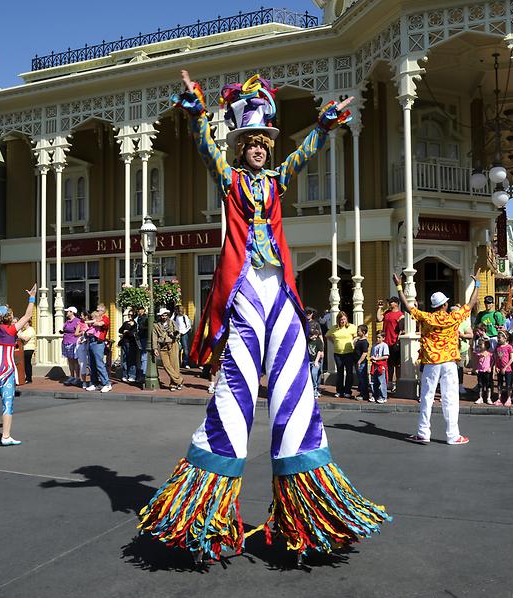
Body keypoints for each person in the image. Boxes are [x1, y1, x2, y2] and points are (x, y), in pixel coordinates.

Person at [138, 71, 387, 562]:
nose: (258, 149)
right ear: (240, 147)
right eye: (250, 142)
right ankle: (203, 515)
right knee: (235, 396)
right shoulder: (228, 178)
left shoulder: (278, 179)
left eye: (263, 143)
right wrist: (193, 110)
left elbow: (304, 154)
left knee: (297, 396)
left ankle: (308, 516)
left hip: (283, 293)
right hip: (245, 288)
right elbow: (205, 148)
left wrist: (324, 125)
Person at [401, 271, 480, 445]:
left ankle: (423, 433)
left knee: (427, 397)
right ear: (444, 305)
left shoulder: (427, 317)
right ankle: (453, 436)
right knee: (450, 397)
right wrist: (477, 284)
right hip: (449, 362)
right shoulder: (454, 317)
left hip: (431, 363)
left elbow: (408, 307)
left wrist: (400, 287)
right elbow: (471, 303)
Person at [0, 284, 37, 446]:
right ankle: (5, 437)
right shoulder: (12, 330)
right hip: (6, 370)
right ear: (9, 317)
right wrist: (31, 297)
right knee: (7, 403)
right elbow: (27, 316)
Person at [327, 311, 357, 399]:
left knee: (349, 372)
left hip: (349, 353)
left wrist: (353, 343)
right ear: (338, 320)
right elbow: (328, 336)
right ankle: (339, 391)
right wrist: (334, 342)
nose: (343, 321)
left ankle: (348, 391)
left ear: (346, 319)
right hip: (338, 354)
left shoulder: (351, 327)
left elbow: (357, 336)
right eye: (341, 319)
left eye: (344, 319)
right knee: (339, 372)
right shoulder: (334, 328)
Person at [376, 296, 404, 392]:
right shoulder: (387, 312)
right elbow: (379, 319)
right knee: (389, 365)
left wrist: (398, 340)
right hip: (386, 343)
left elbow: (401, 329)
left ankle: (398, 383)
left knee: (397, 365)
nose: (389, 304)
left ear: (396, 303)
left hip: (395, 343)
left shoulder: (400, 315)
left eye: (391, 302)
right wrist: (379, 308)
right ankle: (390, 383)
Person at [153, 307, 183, 391]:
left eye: (165, 315)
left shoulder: (172, 322)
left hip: (173, 344)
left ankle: (173, 384)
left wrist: (173, 334)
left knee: (175, 365)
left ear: (167, 315)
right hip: (163, 346)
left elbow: (178, 333)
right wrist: (155, 348)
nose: (164, 316)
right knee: (166, 365)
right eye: (162, 315)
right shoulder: (156, 325)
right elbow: (154, 337)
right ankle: (179, 380)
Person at [84, 304, 112, 393]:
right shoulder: (95, 317)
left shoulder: (105, 318)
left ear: (103, 311)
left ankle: (107, 384)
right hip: (91, 341)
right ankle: (94, 383)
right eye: (96, 310)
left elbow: (99, 323)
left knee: (99, 364)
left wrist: (90, 322)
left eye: (98, 310)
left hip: (98, 342)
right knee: (92, 364)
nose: (97, 311)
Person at [61, 307, 83, 386]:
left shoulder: (77, 321)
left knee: (75, 360)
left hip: (73, 342)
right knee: (69, 360)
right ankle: (72, 376)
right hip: (66, 342)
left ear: (72, 312)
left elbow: (81, 331)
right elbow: (65, 329)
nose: (67, 313)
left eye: (68, 311)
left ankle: (77, 377)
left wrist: (80, 335)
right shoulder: (67, 321)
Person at [494, 330, 513, 406]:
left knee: (508, 384)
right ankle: (499, 398)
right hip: (499, 368)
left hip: (507, 369)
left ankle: (509, 398)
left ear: (505, 338)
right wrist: (496, 366)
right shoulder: (497, 347)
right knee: (499, 384)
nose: (498, 339)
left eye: (500, 338)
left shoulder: (509, 347)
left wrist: (506, 367)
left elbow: (511, 358)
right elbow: (496, 358)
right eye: (497, 338)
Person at [456, 306, 474, 395]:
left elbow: (470, 335)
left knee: (459, 368)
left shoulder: (463, 323)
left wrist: (462, 335)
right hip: (448, 350)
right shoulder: (447, 322)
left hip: (461, 349)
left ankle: (460, 385)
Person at [118, 309, 139, 382]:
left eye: (131, 315)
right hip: (125, 342)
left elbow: (133, 333)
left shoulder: (136, 324)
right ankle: (124, 375)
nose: (130, 316)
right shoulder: (126, 323)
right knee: (124, 359)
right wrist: (124, 331)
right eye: (129, 315)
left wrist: (128, 331)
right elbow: (120, 330)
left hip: (132, 343)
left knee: (132, 359)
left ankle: (132, 375)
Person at [370, 331, 389, 404]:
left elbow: (386, 356)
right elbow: (372, 355)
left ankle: (383, 396)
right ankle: (375, 395)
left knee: (381, 381)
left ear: (383, 338)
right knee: (374, 382)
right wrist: (372, 358)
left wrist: (377, 359)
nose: (377, 339)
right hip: (374, 365)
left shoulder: (384, 345)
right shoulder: (374, 346)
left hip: (381, 365)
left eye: (379, 337)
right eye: (376, 337)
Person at [473, 336, 493, 405]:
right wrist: (476, 369)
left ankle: (488, 398)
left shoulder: (489, 354)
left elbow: (492, 361)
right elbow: (476, 362)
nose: (479, 346)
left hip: (487, 371)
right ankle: (480, 397)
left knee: (488, 385)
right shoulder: (478, 354)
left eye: (481, 344)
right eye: (479, 344)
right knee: (480, 385)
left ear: (486, 345)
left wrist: (490, 367)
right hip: (480, 371)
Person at [307, 322, 324, 399]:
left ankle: (315, 389)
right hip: (308, 361)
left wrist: (316, 361)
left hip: (315, 361)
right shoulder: (307, 341)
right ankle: (311, 389)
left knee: (314, 373)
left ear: (316, 335)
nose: (311, 336)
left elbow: (319, 352)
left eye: (313, 335)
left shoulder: (318, 341)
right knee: (309, 376)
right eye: (310, 335)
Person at [354, 324, 371, 402]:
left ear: (363, 332)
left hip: (361, 363)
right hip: (357, 361)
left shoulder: (364, 342)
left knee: (363, 379)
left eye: (359, 331)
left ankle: (365, 395)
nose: (357, 332)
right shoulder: (359, 340)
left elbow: (365, 353)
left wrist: (359, 361)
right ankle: (361, 393)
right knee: (360, 379)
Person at [17, 320, 36, 385]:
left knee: (27, 363)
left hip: (29, 348)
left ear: (27, 323)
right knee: (25, 363)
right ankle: (26, 377)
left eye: (24, 323)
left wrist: (19, 335)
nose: (23, 324)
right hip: (24, 348)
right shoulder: (24, 330)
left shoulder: (30, 329)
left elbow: (26, 338)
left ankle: (29, 378)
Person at [173, 304, 193, 369]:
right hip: (177, 334)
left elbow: (188, 325)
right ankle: (177, 363)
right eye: (179, 310)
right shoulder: (175, 317)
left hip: (184, 334)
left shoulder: (185, 317)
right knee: (178, 349)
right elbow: (171, 323)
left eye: (181, 310)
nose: (181, 312)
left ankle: (185, 362)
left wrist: (184, 332)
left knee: (185, 349)